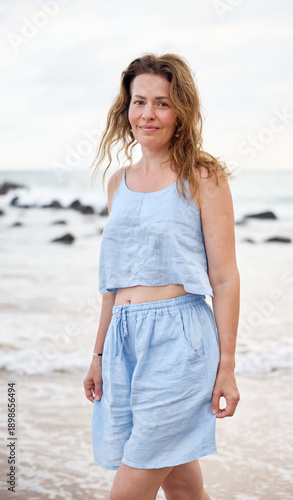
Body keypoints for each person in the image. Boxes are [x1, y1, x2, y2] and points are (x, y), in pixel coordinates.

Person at [83, 52, 240, 500]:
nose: (148, 114)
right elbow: (113, 284)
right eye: (139, 102)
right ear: (126, 108)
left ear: (180, 112)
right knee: (180, 481)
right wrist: (97, 354)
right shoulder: (118, 183)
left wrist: (227, 367)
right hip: (124, 342)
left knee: (128, 488)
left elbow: (226, 278)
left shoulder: (202, 176)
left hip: (180, 340)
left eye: (162, 103)